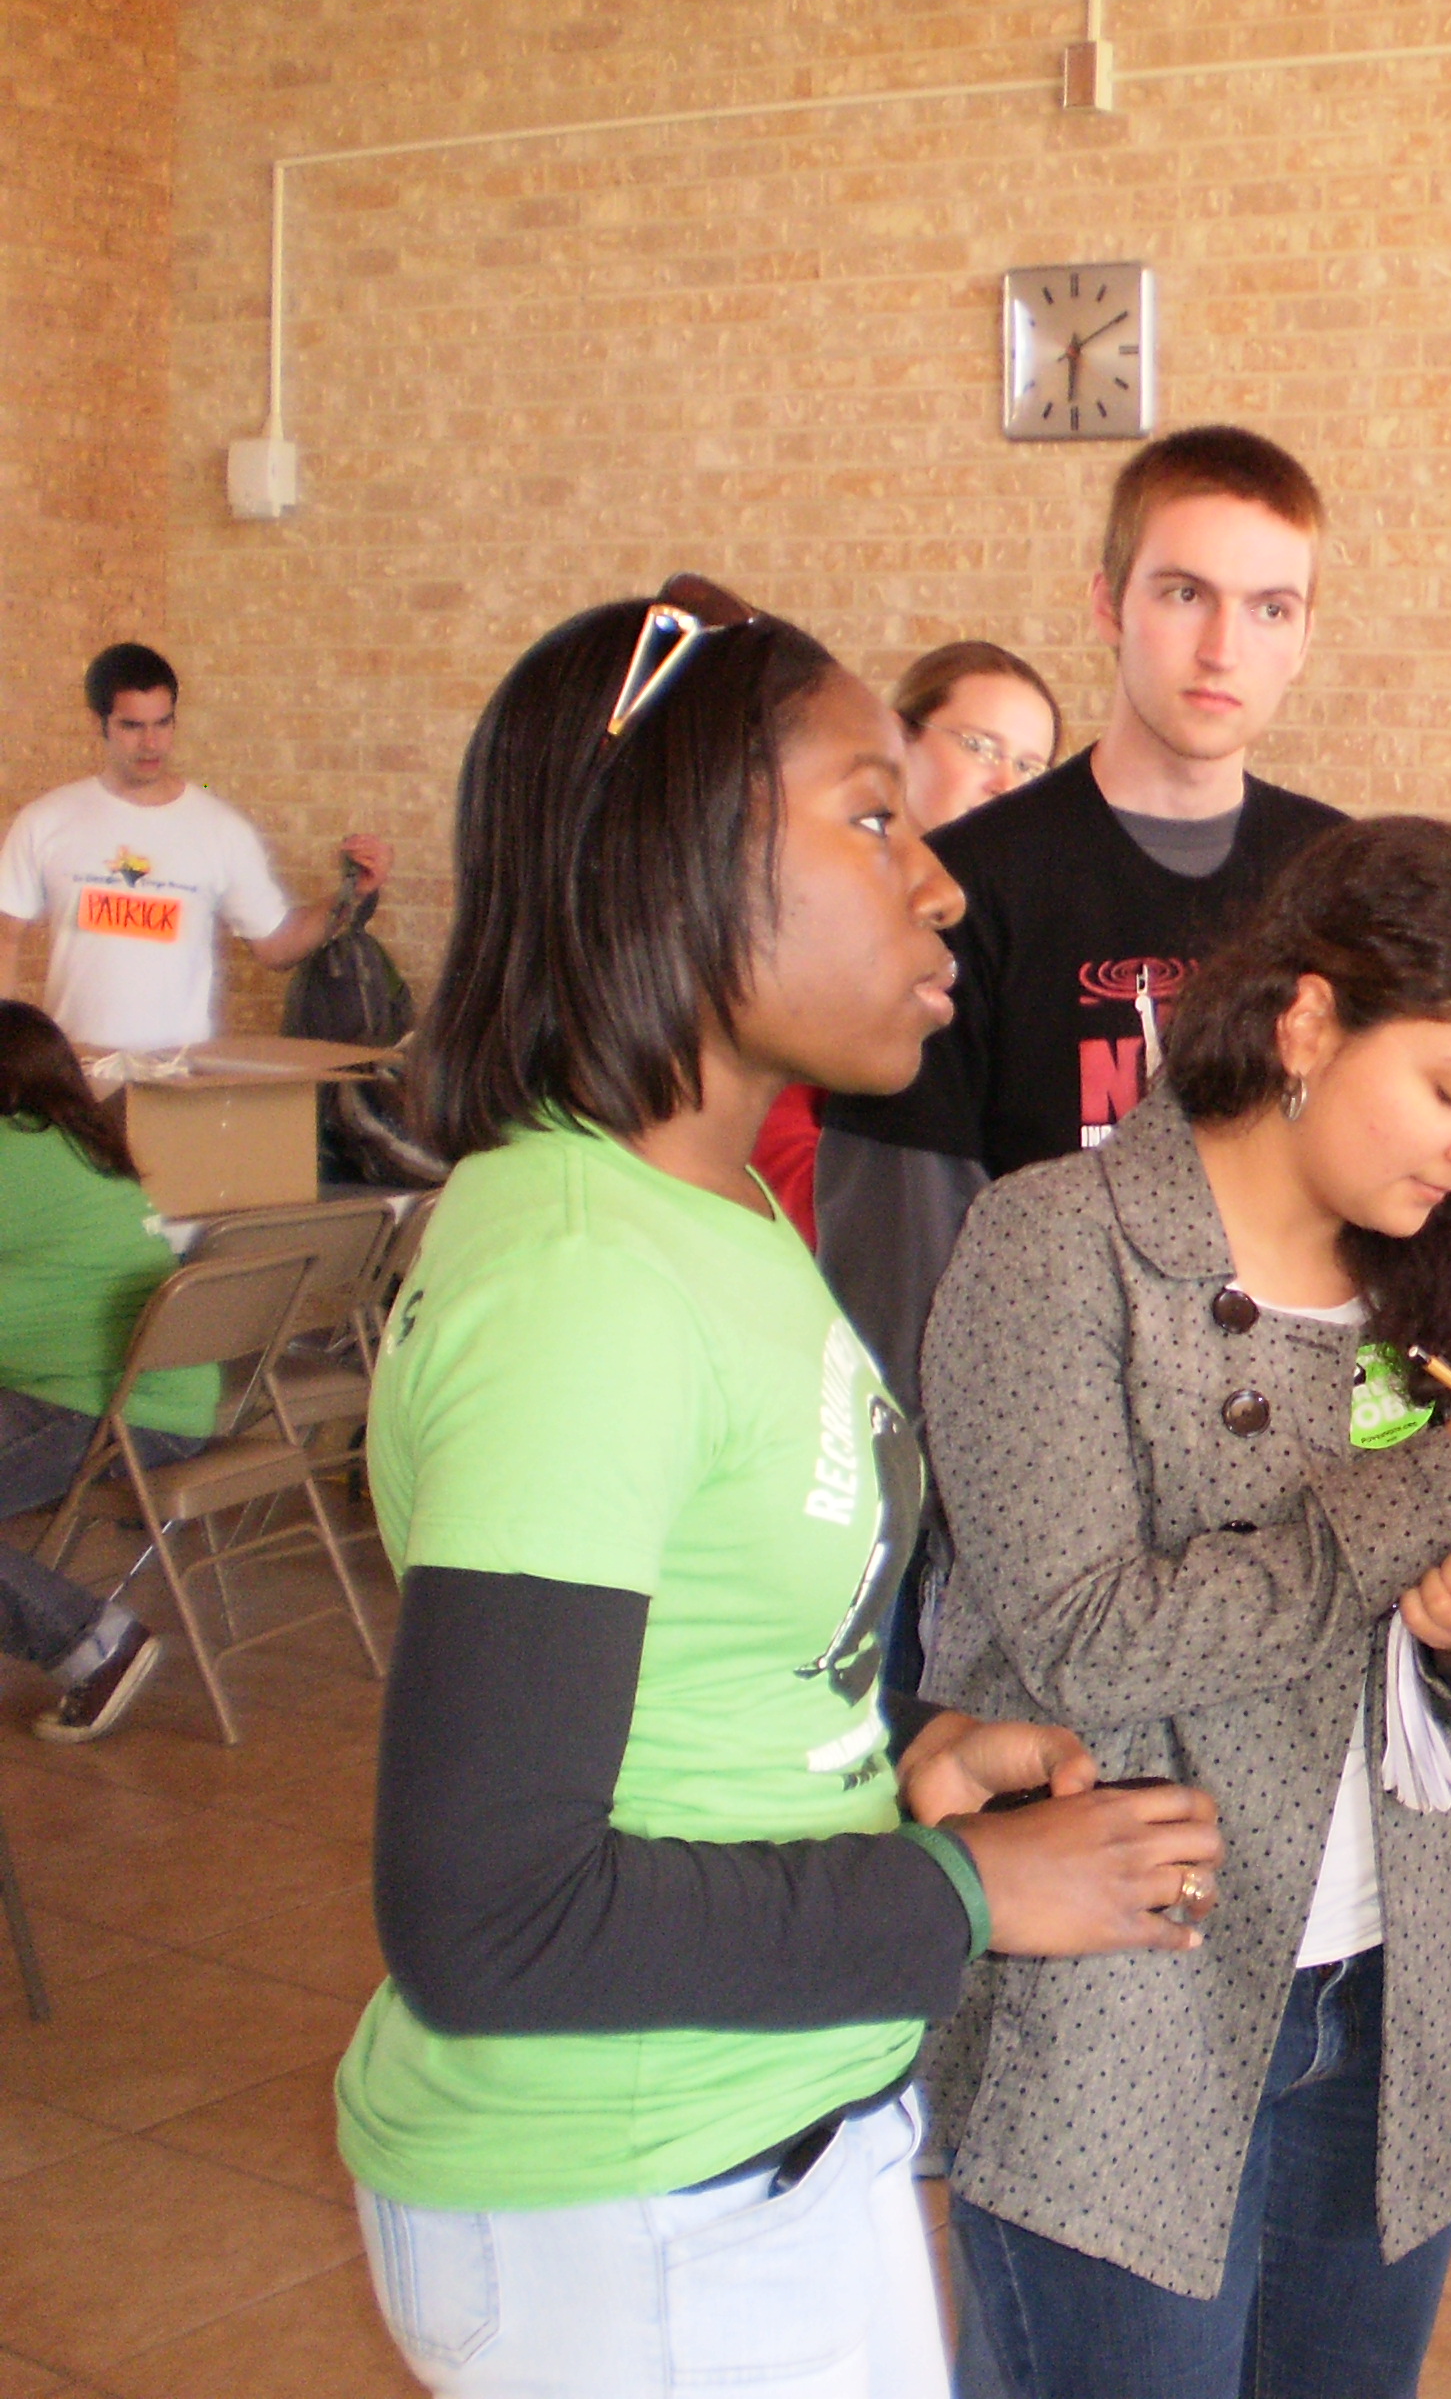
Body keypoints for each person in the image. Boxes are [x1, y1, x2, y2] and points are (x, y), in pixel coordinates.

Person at [336, 576, 1226, 2399]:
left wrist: (890, 1776)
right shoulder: (579, 1276)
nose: (942, 878)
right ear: (670, 859)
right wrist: (964, 1887)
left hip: (754, 2141)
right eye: (872, 811)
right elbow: (487, 1909)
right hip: (632, 2202)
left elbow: (696, 1674)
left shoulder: (714, 1207)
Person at [916, 815, 1451, 2399]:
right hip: (1128, 2004)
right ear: (1304, 1022)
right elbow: (1087, 1636)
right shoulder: (1056, 1246)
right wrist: (1433, 1500)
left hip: (1388, 1990)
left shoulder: (1445, 1273)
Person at [816, 428, 1348, 1427]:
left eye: (1269, 608)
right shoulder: (959, 891)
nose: (1223, 648)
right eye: (1184, 594)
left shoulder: (1345, 887)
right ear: (1108, 602)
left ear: (1305, 636)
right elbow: (898, 1279)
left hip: (1285, 1458)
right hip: (1042, 1465)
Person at [752, 639, 1064, 1242]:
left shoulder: (1017, 935)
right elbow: (780, 1155)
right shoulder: (827, 907)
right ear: (897, 739)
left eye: (1030, 766)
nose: (1006, 783)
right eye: (980, 747)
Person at [0, 643, 393, 1051]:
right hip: (78, 1077)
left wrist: (350, 894)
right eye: (132, 726)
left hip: (178, 1077)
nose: (151, 743)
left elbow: (276, 946)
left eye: (163, 723)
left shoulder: (220, 829)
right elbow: (5, 936)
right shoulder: (47, 820)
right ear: (100, 723)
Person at [0, 1000, 202, 1743]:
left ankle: (93, 1646)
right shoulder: (83, 1146)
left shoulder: (13, 1155)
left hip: (102, 1407)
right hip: (147, 1397)